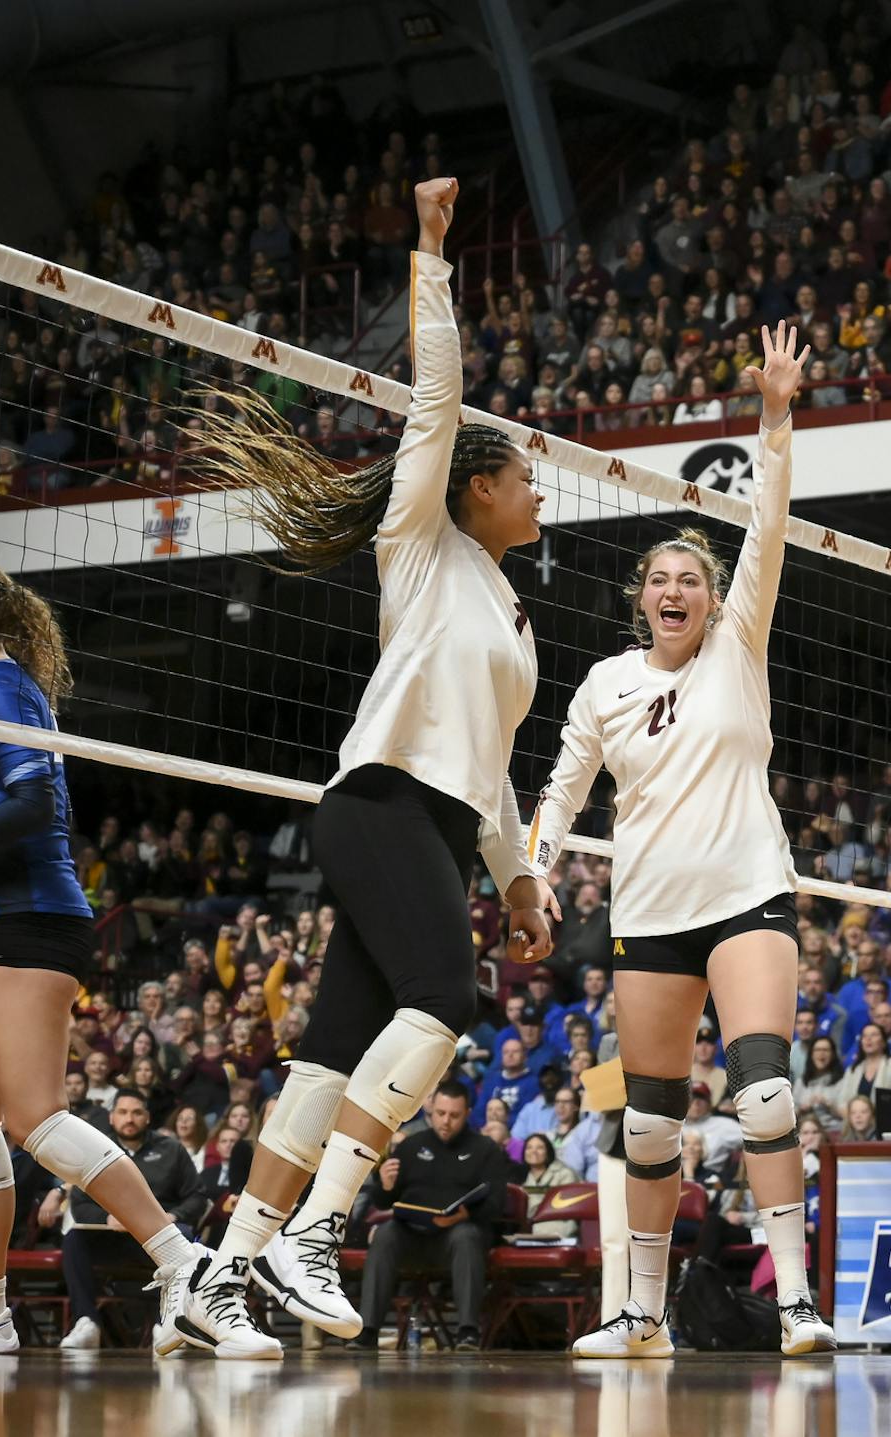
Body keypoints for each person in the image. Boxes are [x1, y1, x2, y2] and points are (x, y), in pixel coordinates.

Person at [178, 174, 558, 1340]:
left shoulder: (511, 615)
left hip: (437, 825)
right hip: (381, 802)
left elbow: (491, 771)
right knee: (445, 998)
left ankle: (217, 1283)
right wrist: (433, 252)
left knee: (328, 1062)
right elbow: (435, 400)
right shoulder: (421, 543)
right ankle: (311, 1236)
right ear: (477, 488)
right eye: (523, 473)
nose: (537, 486)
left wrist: (520, 877)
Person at [528, 322, 834, 1358]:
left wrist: (775, 418)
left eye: (691, 580)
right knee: (649, 1126)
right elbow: (563, 789)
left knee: (762, 1091)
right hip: (648, 915)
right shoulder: (606, 684)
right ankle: (642, 1317)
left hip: (747, 894)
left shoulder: (737, 649)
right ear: (639, 600)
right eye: (660, 580)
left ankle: (795, 1301)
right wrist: (529, 872)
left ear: (711, 599)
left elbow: (769, 526)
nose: (675, 591)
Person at [0, 561, 272, 1357]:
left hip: (40, 918)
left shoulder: (3, 684)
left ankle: (185, 1263)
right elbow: (15, 818)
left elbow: (34, 810)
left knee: (32, 1118)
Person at [351, 1081, 510, 1350]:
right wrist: (386, 1185)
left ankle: (468, 1331)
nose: (446, 1121)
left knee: (466, 1235)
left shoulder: (485, 1149)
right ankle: (367, 1329)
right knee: (386, 1232)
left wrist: (462, 1215)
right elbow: (382, 1201)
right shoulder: (411, 1146)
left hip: (457, 1236)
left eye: (454, 1115)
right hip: (412, 1235)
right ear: (432, 1110)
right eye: (440, 1113)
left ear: (468, 1113)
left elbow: (496, 1203)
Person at [53, 1088, 212, 1351]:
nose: (130, 1118)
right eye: (123, 1112)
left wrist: (173, 1216)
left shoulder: (171, 1149)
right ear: (112, 1117)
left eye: (137, 1112)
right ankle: (86, 1322)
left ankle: (171, 1323)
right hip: (114, 1239)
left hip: (160, 1239)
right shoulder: (94, 1150)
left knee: (183, 1234)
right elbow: (80, 1204)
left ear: (147, 1118)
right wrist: (106, 1217)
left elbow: (197, 1197)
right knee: (74, 1240)